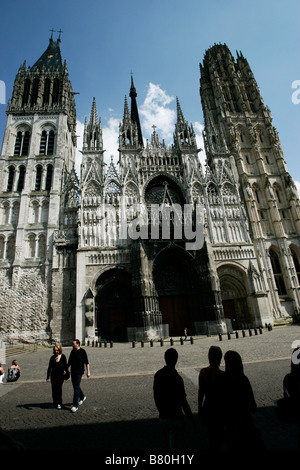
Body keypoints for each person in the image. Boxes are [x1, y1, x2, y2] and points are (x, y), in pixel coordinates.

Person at [153, 348, 196, 451]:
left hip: (163, 417)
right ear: (176, 360)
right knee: (177, 446)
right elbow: (183, 402)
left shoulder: (158, 375)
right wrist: (192, 421)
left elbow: (156, 396)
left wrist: (160, 410)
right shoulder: (177, 378)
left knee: (167, 445)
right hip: (176, 417)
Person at [223, 350, 262, 449]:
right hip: (244, 422)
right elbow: (253, 406)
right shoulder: (243, 380)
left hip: (230, 424)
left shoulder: (223, 380)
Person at [198, 346, 225, 449]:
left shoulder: (203, 373)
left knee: (211, 437)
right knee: (219, 438)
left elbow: (200, 393)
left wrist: (200, 408)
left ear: (209, 357)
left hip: (208, 407)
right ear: (220, 358)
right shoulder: (223, 375)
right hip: (220, 409)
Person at [67, 339, 90, 413]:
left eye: (74, 344)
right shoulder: (72, 351)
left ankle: (75, 405)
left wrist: (88, 372)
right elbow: (69, 361)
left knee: (76, 388)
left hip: (79, 371)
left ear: (78, 344)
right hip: (73, 371)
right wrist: (65, 369)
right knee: (75, 386)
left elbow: (87, 362)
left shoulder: (82, 351)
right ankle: (82, 396)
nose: (72, 345)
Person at [46, 344, 68, 409]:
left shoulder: (63, 356)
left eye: (57, 350)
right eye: (55, 350)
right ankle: (55, 402)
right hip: (54, 375)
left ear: (60, 350)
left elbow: (65, 365)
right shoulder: (52, 358)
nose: (56, 352)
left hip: (60, 375)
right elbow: (49, 368)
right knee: (54, 389)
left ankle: (59, 402)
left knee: (58, 388)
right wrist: (48, 377)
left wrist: (65, 370)